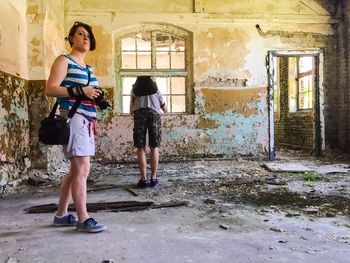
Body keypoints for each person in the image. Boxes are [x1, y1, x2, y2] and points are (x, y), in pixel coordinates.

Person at [45, 21, 107, 233]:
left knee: (74, 171)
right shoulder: (64, 60)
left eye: (88, 35)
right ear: (72, 39)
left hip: (87, 120)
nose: (86, 37)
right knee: (82, 169)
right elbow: (50, 89)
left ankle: (61, 215)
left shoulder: (88, 68)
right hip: (74, 118)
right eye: (81, 34)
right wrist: (80, 91)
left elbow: (87, 92)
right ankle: (83, 218)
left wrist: (96, 96)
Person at [130, 76, 168, 188]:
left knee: (140, 148)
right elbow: (165, 109)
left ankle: (144, 180)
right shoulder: (156, 91)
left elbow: (131, 111)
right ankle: (154, 178)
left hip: (139, 116)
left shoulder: (134, 91)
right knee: (154, 147)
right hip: (154, 116)